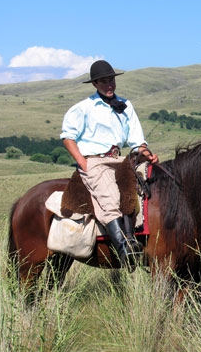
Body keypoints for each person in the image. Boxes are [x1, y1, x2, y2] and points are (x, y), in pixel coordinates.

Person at [60, 60, 158, 271]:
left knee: (147, 184)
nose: (109, 84)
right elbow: (68, 137)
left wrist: (147, 154)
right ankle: (124, 248)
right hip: (95, 160)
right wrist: (83, 163)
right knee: (110, 196)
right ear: (95, 83)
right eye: (103, 81)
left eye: (111, 79)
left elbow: (137, 141)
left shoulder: (126, 105)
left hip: (121, 158)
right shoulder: (83, 108)